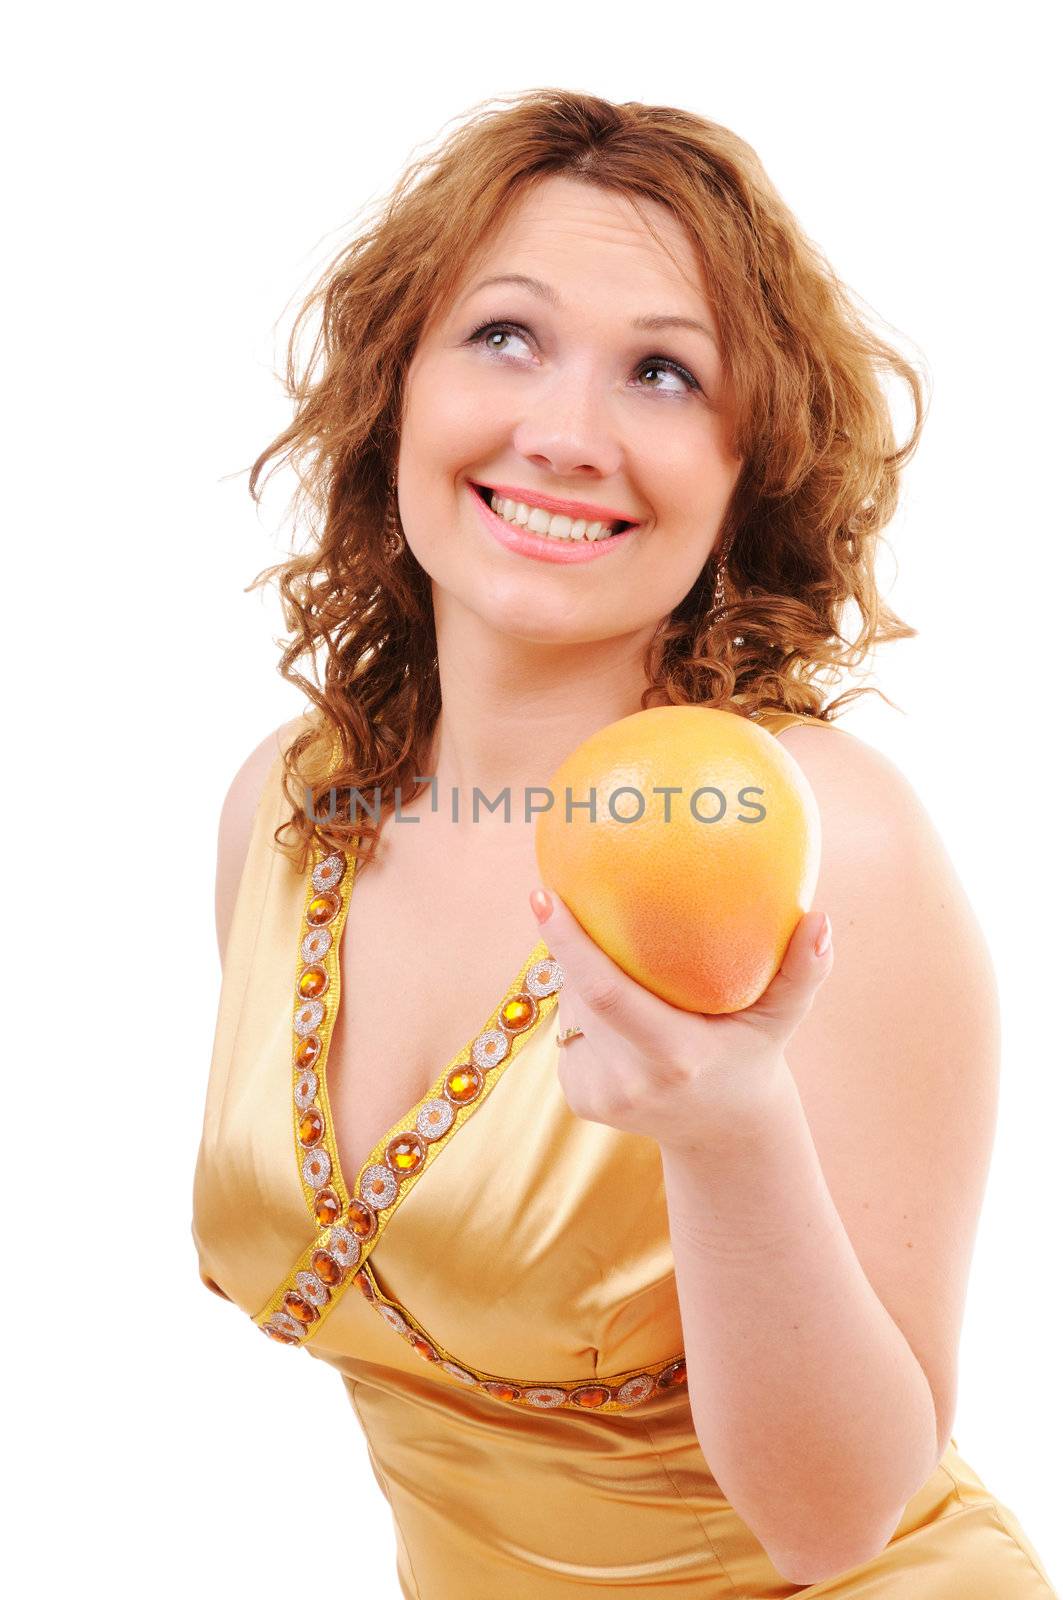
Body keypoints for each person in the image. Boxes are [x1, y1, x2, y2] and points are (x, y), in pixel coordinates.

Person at [191, 89, 1057, 1598]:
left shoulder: (812, 834)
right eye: (507, 337)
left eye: (663, 372)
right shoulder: (288, 808)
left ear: (747, 474)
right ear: (398, 387)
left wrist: (731, 1127)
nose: (567, 434)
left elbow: (836, 1521)